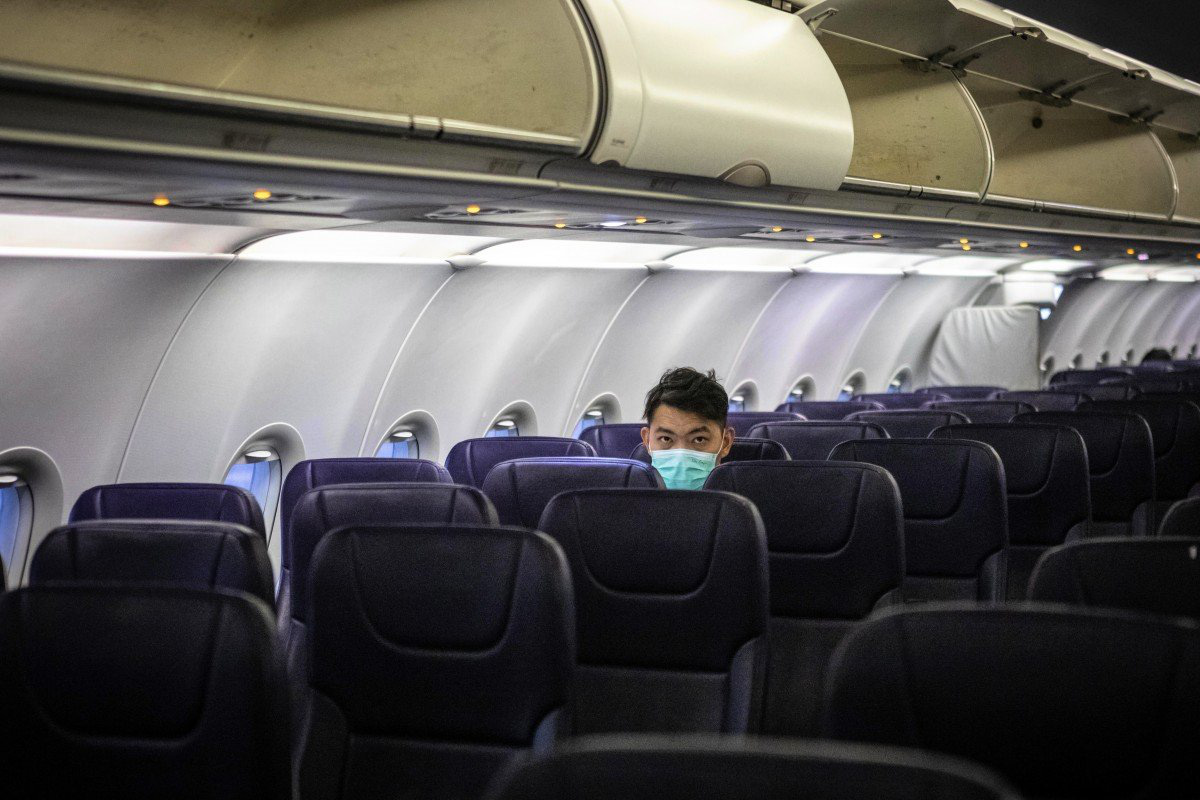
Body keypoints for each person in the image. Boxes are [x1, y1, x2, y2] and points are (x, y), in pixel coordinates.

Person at [641, 367, 734, 490]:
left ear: (726, 442)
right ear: (647, 440)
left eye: (699, 439)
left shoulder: (749, 500)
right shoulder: (628, 500)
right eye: (666, 438)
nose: (681, 458)